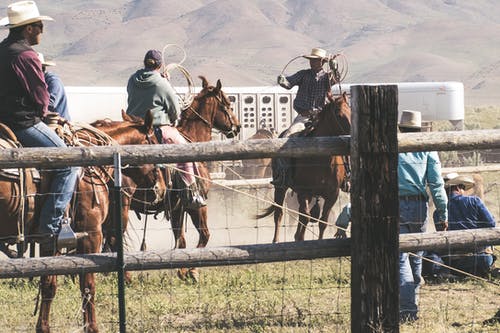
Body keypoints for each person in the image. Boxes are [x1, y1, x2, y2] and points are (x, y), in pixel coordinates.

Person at [0, 1, 79, 245]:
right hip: (23, 123)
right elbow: (40, 95)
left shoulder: (2, 49)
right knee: (70, 162)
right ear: (28, 29)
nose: (42, 30)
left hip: (3, 121)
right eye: (39, 26)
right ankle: (50, 226)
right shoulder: (27, 55)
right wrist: (44, 112)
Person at [126, 49, 205, 208]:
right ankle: (192, 192)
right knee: (185, 151)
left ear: (144, 62)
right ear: (161, 65)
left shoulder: (132, 79)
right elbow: (175, 109)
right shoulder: (162, 83)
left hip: (133, 128)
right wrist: (166, 85)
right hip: (157, 128)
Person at [397, 110, 448, 323]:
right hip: (418, 204)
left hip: (395, 203)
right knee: (416, 256)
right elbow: (436, 184)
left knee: (400, 259)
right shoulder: (427, 148)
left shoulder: (394, 147)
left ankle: (407, 310)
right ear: (420, 128)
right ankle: (412, 304)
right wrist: (442, 212)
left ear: (400, 128)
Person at [272, 47, 335, 186]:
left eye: (316, 60)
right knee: (287, 137)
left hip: (322, 118)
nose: (312, 63)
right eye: (312, 60)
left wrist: (334, 68)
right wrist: (282, 81)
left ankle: (345, 176)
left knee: (340, 139)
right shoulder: (303, 74)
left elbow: (336, 79)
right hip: (303, 117)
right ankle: (283, 174)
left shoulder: (327, 77)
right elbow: (288, 84)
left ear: (322, 62)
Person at [426, 173, 496, 278]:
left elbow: (441, 236)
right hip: (481, 260)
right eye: (463, 187)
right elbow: (491, 224)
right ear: (458, 187)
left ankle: (445, 272)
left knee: (428, 252)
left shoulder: (438, 212)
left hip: (454, 263)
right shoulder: (474, 201)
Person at [37, 52, 71, 120]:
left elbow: (50, 104)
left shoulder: (53, 81)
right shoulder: (35, 82)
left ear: (42, 68)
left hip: (57, 121)